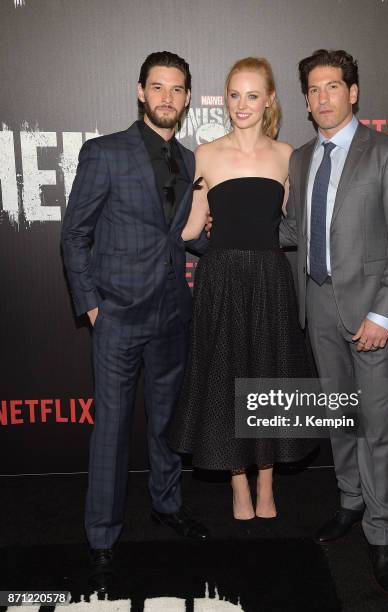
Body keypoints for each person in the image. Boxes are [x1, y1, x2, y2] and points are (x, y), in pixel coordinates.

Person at [61, 51, 209, 592]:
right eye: (158, 87)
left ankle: (166, 504)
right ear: (140, 92)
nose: (167, 97)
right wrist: (92, 303)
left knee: (167, 423)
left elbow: (190, 237)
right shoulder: (104, 153)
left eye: (177, 89)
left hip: (173, 313)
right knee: (113, 430)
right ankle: (101, 537)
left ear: (188, 97)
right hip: (118, 315)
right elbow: (75, 235)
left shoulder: (193, 161)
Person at [280, 49, 388, 594]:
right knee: (340, 418)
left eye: (332, 86)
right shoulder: (299, 158)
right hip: (317, 307)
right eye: (313, 90)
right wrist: (237, 228)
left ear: (353, 92)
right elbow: (294, 231)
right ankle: (348, 502)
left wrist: (384, 313)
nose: (322, 97)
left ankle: (381, 535)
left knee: (375, 430)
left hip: (372, 315)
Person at [168, 57, 314, 521]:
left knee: (268, 377)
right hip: (221, 279)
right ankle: (237, 483)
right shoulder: (204, 154)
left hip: (271, 279)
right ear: (225, 98)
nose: (242, 105)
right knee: (227, 378)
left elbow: (292, 227)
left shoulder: (288, 155)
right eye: (234, 95)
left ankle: (267, 483)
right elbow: (189, 231)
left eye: (253, 95)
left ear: (270, 99)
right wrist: (207, 231)